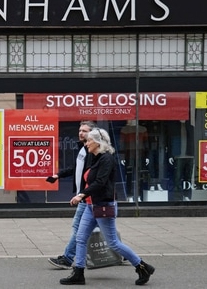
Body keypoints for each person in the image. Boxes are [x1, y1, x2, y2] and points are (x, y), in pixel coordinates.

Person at [60, 128, 155, 286]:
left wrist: (81, 195)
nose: (87, 143)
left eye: (89, 140)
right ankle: (78, 272)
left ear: (98, 143)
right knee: (81, 238)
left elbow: (100, 182)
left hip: (103, 205)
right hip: (91, 206)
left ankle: (142, 267)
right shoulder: (94, 156)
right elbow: (85, 175)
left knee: (113, 243)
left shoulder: (107, 159)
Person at [46, 121, 96, 269]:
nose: (81, 133)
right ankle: (121, 253)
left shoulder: (93, 152)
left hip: (87, 197)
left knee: (78, 228)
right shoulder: (82, 149)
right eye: (80, 130)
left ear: (92, 133)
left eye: (85, 131)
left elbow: (95, 177)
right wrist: (57, 175)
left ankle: (67, 259)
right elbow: (75, 168)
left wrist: (83, 194)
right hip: (84, 196)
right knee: (105, 231)